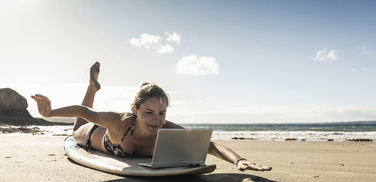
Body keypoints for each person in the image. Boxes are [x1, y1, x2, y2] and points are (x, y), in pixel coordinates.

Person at [32, 62, 272, 172]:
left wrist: (239, 160)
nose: (156, 120)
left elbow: (208, 145)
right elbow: (84, 112)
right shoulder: (120, 121)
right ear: (135, 110)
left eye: (161, 113)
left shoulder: (166, 128)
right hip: (94, 137)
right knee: (77, 128)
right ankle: (92, 88)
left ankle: (93, 88)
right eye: (148, 112)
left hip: (114, 142)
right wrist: (50, 113)